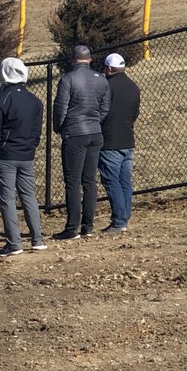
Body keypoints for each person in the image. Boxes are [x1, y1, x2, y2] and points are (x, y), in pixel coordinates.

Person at [0, 57, 47, 257]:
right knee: (29, 196)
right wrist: (31, 146)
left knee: (7, 199)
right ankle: (37, 239)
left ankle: (14, 243)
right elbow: (37, 130)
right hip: (27, 154)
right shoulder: (35, 100)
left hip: (5, 156)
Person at [52, 45, 110, 240]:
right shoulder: (101, 79)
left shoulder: (68, 79)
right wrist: (95, 121)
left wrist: (59, 127)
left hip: (75, 133)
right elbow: (105, 107)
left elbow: (61, 107)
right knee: (89, 181)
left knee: (73, 181)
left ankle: (72, 228)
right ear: (90, 60)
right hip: (95, 132)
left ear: (72, 60)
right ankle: (88, 226)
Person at [98, 52, 140, 234]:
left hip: (110, 141)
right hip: (127, 139)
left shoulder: (106, 87)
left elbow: (101, 112)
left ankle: (119, 221)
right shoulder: (133, 86)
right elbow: (135, 113)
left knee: (111, 180)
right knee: (124, 181)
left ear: (108, 68)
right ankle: (124, 217)